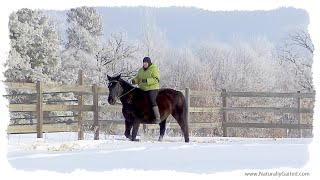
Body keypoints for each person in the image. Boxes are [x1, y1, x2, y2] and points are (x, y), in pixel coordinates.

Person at [131, 57, 161, 123]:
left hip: (152, 88)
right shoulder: (140, 70)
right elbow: (138, 78)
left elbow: (157, 79)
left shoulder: (154, 69)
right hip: (142, 89)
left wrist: (147, 80)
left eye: (146, 63)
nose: (144, 64)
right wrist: (134, 81)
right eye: (144, 62)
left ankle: (157, 117)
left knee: (151, 99)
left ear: (149, 63)